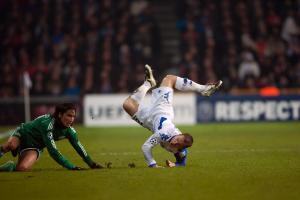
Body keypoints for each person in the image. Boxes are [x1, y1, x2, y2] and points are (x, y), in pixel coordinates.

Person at [123, 65, 222, 168]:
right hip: (162, 109)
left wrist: (174, 164)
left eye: (177, 143)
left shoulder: (180, 151)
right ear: (180, 134)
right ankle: (203, 89)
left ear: (180, 148)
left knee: (127, 105)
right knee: (169, 79)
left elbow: (182, 164)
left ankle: (148, 84)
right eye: (177, 139)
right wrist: (153, 165)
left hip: (150, 121)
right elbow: (146, 147)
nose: (175, 141)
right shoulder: (163, 134)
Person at [0, 103, 103, 172]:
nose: (71, 119)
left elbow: (79, 147)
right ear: (60, 115)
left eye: (73, 116)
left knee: (22, 168)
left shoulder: (69, 131)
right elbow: (53, 151)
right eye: (69, 116)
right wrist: (71, 167)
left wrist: (91, 164)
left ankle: (10, 166)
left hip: (34, 147)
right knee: (10, 145)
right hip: (23, 134)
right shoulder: (48, 125)